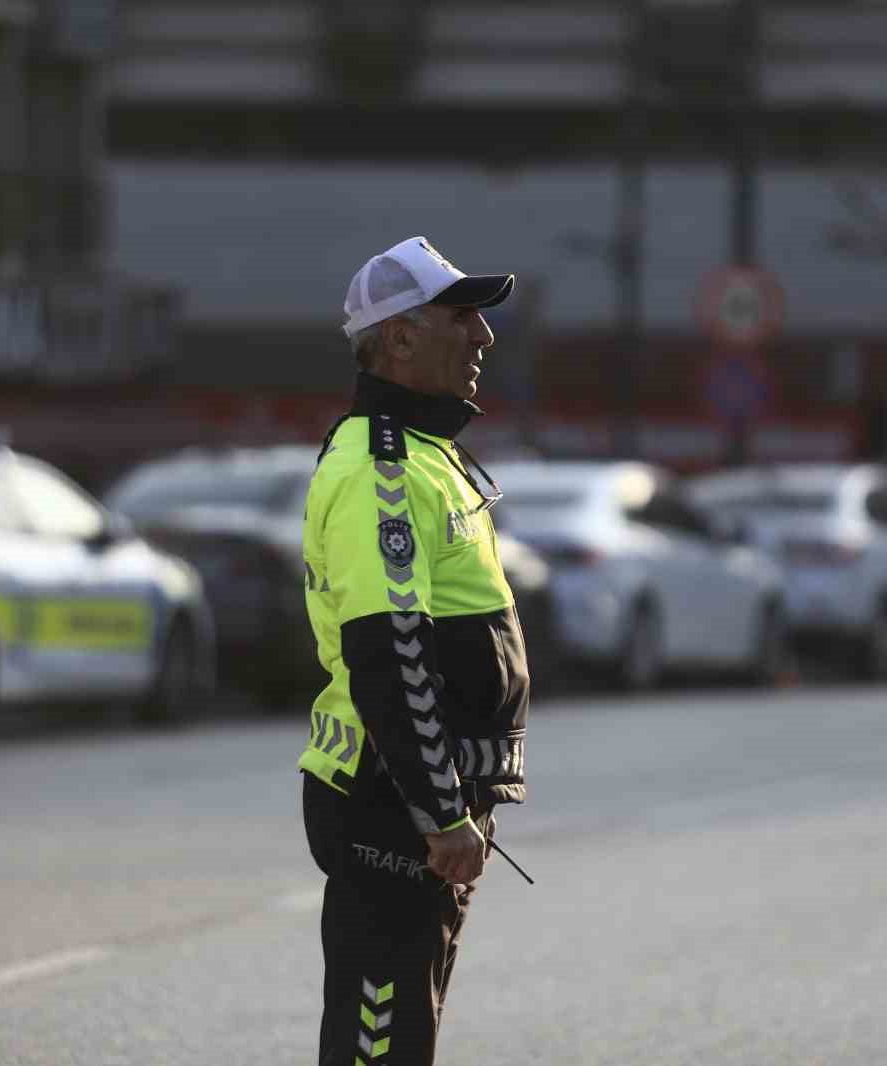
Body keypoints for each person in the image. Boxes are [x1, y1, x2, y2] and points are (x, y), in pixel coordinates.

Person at [299, 237, 530, 1066]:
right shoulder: (381, 469)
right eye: (460, 316)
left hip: (416, 806)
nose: (483, 337)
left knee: (403, 1037)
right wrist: (441, 813)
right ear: (398, 337)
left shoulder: (427, 455)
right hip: (390, 806)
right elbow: (390, 656)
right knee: (381, 1050)